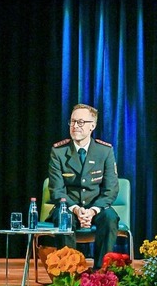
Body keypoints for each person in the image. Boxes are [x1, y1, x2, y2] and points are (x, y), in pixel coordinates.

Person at [43, 103, 120, 269]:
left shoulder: (104, 151)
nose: (75, 126)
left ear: (92, 126)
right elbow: (57, 190)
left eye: (80, 122)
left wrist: (92, 211)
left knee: (110, 218)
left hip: (96, 207)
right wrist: (76, 209)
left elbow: (111, 189)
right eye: (72, 122)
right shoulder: (59, 151)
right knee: (64, 218)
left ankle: (101, 273)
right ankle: (70, 274)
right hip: (68, 207)